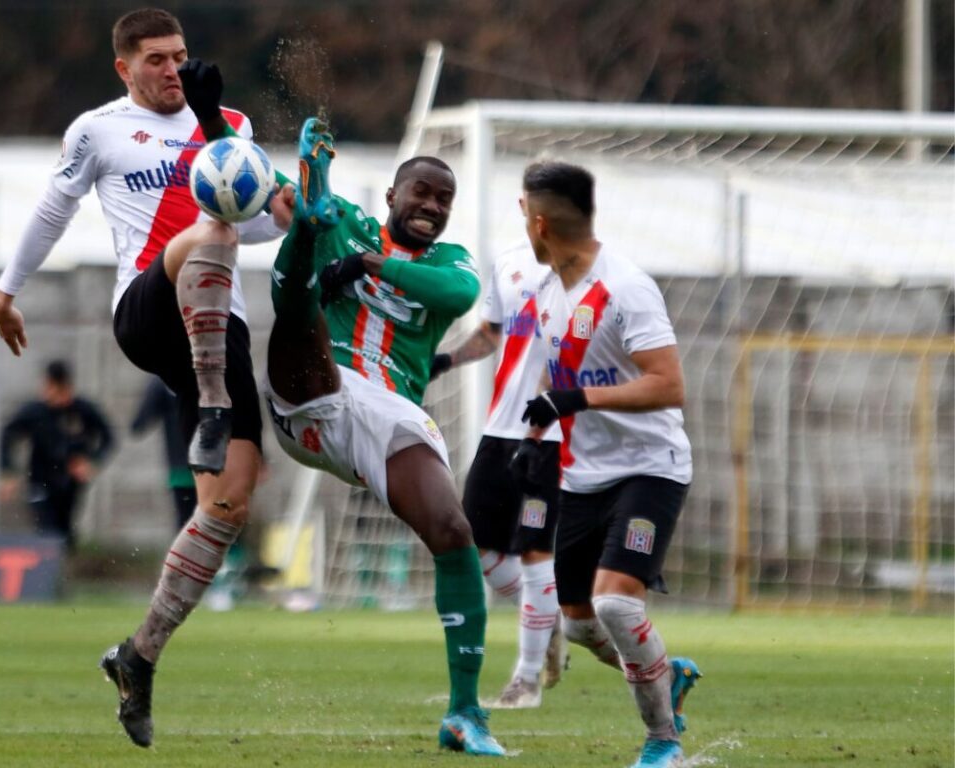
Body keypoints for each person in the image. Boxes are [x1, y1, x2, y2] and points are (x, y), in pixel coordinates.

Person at [0, 8, 291, 748]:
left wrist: (292, 196)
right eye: (156, 59)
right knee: (210, 228)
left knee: (227, 505)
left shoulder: (230, 120)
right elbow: (55, 206)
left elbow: (260, 216)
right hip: (150, 309)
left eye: (180, 56)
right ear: (124, 68)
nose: (171, 70)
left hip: (224, 325)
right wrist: (6, 289)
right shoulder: (98, 129)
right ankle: (213, 402)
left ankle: (138, 656)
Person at [261, 117, 504, 756]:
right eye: (420, 192)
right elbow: (260, 183)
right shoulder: (349, 218)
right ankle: (308, 237)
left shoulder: (450, 263)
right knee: (298, 306)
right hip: (316, 388)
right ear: (393, 196)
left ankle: (465, 713)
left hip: (387, 414)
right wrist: (209, 123)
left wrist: (365, 265)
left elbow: (459, 291)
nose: (431, 206)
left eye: (443, 199)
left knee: (454, 533)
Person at [507, 161, 701, 768]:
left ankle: (662, 742)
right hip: (582, 476)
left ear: (540, 223)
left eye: (522, 215)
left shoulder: (626, 288)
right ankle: (664, 674)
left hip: (650, 469)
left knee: (618, 605)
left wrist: (576, 399)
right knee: (580, 627)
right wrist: (538, 430)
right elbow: (559, 376)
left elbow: (669, 385)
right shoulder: (544, 293)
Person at [429, 241, 566, 709]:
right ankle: (547, 620)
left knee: (534, 553)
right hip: (500, 429)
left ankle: (526, 681)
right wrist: (445, 360)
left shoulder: (588, 270)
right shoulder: (508, 263)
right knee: (478, 548)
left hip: (551, 436)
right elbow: (490, 333)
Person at [0, 360, 115, 550]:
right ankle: (47, 571)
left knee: (65, 532)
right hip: (39, 479)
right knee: (47, 531)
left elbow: (109, 437)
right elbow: (8, 435)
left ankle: (63, 572)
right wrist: (7, 471)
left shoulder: (82, 410)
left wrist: (92, 461)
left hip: (70, 482)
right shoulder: (35, 411)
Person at [129, 376, 196, 529]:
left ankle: (188, 551)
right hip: (211, 465)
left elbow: (139, 423)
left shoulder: (163, 379)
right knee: (214, 519)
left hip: (182, 466)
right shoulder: (210, 368)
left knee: (188, 522)